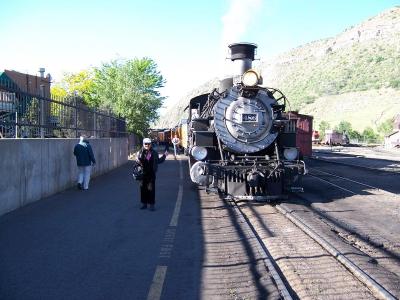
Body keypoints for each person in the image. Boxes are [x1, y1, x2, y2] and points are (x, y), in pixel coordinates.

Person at [136, 138, 168, 211]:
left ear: (151, 144)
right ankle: (144, 204)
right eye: (145, 143)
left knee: (151, 189)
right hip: (142, 174)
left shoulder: (153, 153)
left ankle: (151, 205)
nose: (147, 145)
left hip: (151, 174)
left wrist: (164, 156)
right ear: (143, 144)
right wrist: (137, 160)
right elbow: (140, 162)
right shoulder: (140, 152)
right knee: (143, 189)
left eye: (149, 143)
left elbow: (159, 161)